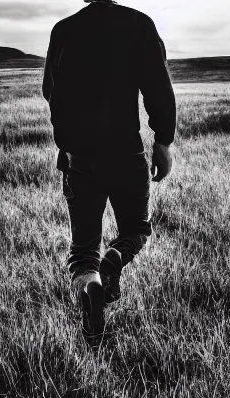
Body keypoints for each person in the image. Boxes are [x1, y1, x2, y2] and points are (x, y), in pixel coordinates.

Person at [42, 0, 176, 338]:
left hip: (79, 159)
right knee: (138, 230)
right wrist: (162, 141)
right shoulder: (139, 25)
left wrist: (67, 144)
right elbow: (159, 88)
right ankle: (114, 259)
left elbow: (51, 92)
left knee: (84, 251)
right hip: (127, 156)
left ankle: (90, 288)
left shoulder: (64, 31)